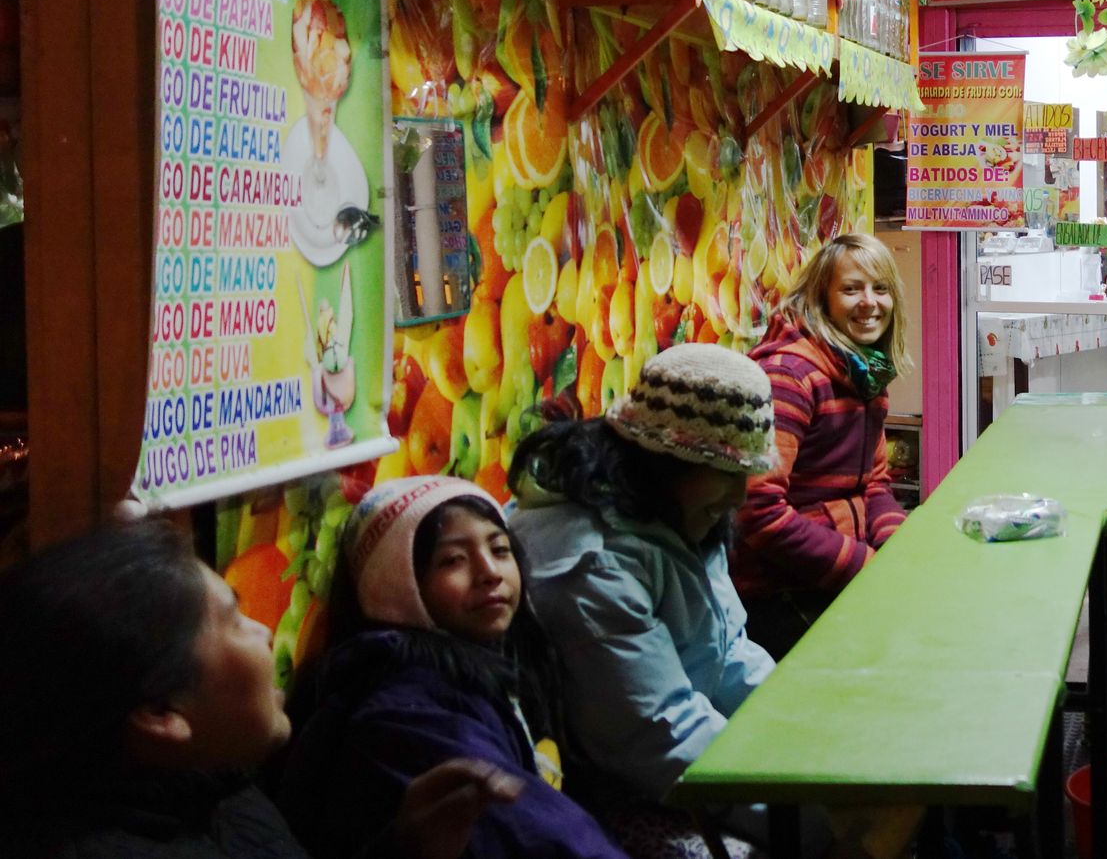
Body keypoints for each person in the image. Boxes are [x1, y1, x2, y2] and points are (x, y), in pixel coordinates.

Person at [0, 516, 524, 859]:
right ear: (162, 711)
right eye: (234, 619)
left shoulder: (215, 790)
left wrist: (406, 849)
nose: (267, 631)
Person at [507, 343, 777, 859]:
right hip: (604, 791)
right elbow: (659, 739)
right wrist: (815, 814)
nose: (741, 497)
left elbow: (725, 654)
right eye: (726, 472)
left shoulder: (681, 513)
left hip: (664, 754)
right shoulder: (592, 565)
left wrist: (805, 731)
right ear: (663, 462)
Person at [275, 477, 627, 859]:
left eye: (500, 548)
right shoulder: (404, 713)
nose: (490, 572)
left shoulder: (491, 658)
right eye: (452, 560)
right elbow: (535, 836)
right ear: (395, 584)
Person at [733, 234, 909, 657]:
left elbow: (875, 485)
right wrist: (864, 565)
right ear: (822, 298)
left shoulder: (864, 372)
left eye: (880, 288)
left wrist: (897, 547)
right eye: (851, 289)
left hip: (828, 577)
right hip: (775, 592)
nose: (870, 302)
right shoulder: (788, 377)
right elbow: (757, 512)